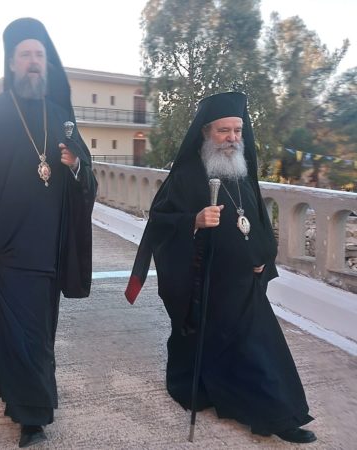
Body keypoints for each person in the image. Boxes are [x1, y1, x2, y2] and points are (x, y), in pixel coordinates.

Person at [125, 92, 316, 444]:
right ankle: (209, 392)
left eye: (237, 130)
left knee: (260, 346)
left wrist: (262, 256)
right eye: (223, 130)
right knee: (210, 346)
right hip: (205, 285)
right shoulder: (186, 176)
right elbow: (160, 223)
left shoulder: (242, 172)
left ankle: (280, 416)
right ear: (205, 133)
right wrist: (194, 220)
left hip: (244, 283)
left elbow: (257, 221)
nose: (232, 138)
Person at [0, 18, 96, 448]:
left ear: (46, 64)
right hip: (4, 250)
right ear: (12, 63)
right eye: (26, 55)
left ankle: (27, 406)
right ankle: (31, 416)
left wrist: (75, 166)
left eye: (39, 55)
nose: (33, 62)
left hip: (47, 250)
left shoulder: (61, 118)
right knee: (12, 335)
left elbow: (87, 182)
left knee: (39, 336)